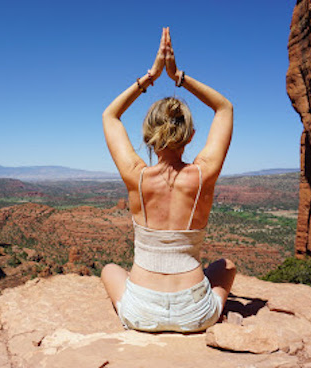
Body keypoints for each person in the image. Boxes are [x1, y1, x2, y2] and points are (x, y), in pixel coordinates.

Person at [100, 27, 236, 333]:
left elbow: (110, 115)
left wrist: (150, 76)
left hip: (141, 313)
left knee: (110, 269)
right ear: (190, 136)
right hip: (196, 315)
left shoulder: (136, 176)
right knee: (227, 266)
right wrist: (178, 76)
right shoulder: (204, 174)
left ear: (147, 137)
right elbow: (224, 107)